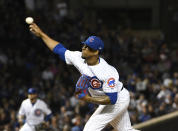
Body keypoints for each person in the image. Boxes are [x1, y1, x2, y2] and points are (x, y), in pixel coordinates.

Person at [29, 23, 139, 131]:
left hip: (117, 98)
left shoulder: (107, 71)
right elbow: (58, 49)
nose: (84, 48)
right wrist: (41, 34)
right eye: (84, 45)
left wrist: (88, 99)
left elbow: (112, 99)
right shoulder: (78, 57)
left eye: (88, 47)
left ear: (96, 52)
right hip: (109, 99)